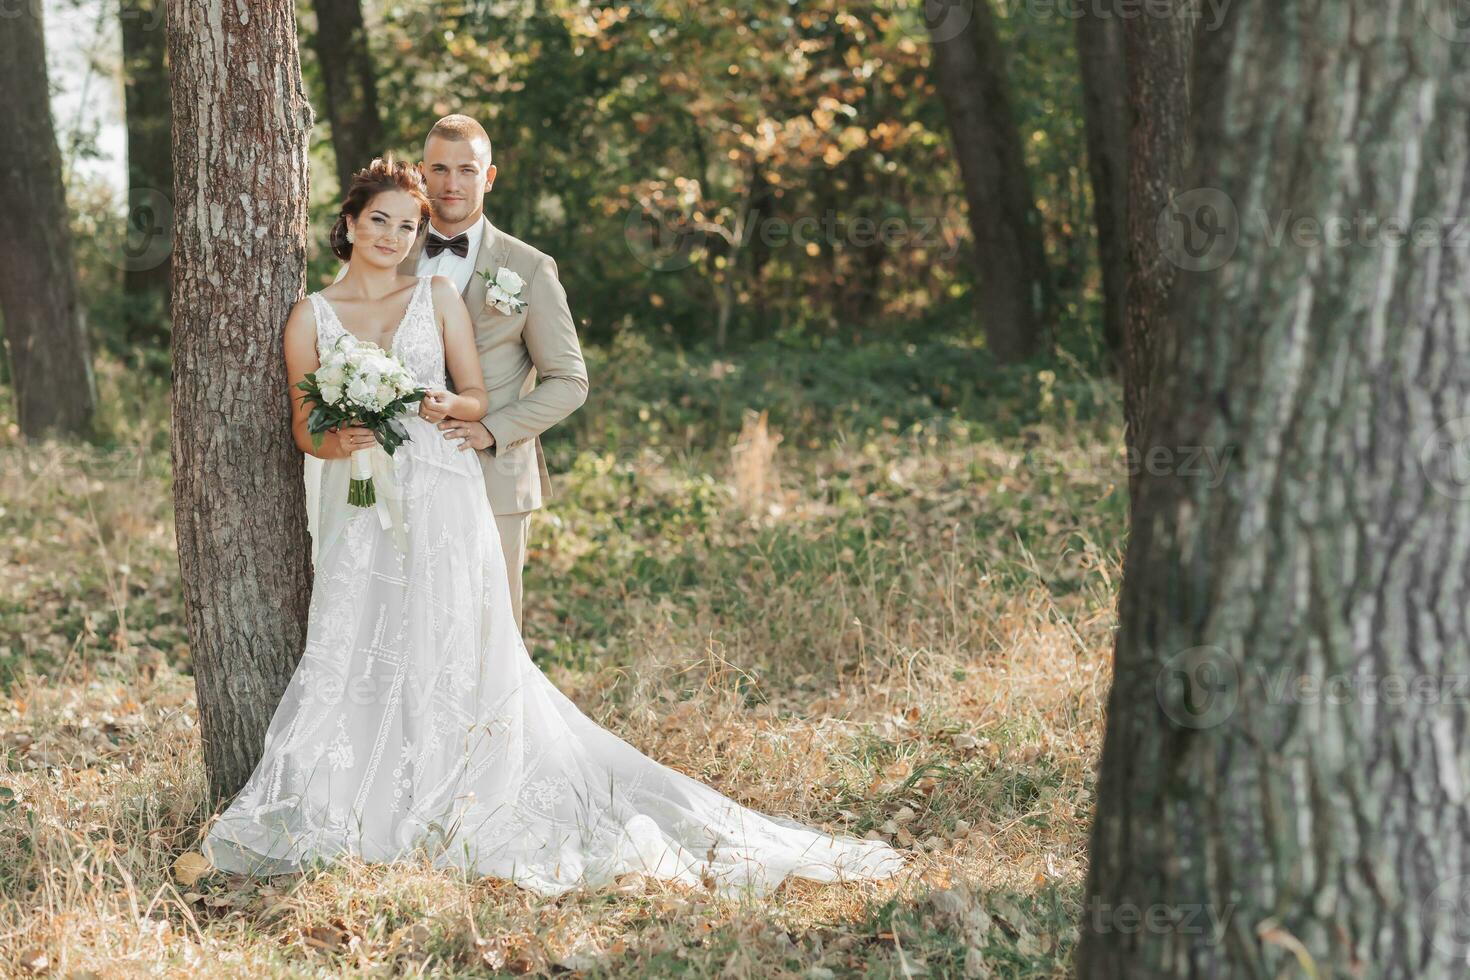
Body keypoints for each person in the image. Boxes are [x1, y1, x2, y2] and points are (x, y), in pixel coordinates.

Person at [201, 156, 908, 898]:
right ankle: (360, 798)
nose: (392, 234)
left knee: (450, 637)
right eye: (379, 219)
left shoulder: (435, 298)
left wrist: (446, 406)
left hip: (442, 494)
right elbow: (303, 424)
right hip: (361, 505)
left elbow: (476, 396)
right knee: (361, 635)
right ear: (347, 224)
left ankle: (458, 786)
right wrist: (335, 437)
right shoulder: (310, 315)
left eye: (407, 225)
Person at [308, 113, 587, 633]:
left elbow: (570, 381)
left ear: (490, 176)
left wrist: (490, 428)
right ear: (422, 171)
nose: (451, 183)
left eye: (466, 169)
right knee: (401, 631)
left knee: (489, 634)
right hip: (393, 476)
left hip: (492, 476)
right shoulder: (386, 245)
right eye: (438, 168)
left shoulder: (527, 268)